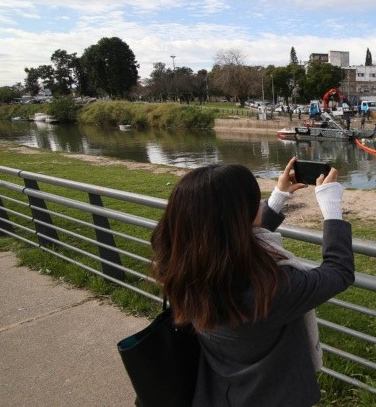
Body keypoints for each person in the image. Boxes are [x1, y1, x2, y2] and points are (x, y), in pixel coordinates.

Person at [151, 157, 353, 406]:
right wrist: (331, 207)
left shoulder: (180, 263)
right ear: (241, 216)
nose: (260, 204)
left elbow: (231, 241)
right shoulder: (271, 287)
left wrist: (278, 198)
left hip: (220, 390)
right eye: (255, 200)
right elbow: (338, 271)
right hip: (276, 396)